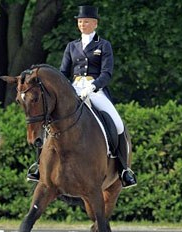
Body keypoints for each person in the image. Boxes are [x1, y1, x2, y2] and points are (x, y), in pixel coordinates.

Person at [27, 5, 137, 188]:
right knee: (48, 122)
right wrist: (66, 89)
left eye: (86, 21)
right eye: (80, 21)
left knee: (116, 122)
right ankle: (39, 166)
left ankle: (124, 170)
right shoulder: (72, 46)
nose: (82, 24)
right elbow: (63, 72)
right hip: (74, 90)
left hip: (96, 90)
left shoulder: (103, 45)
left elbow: (107, 73)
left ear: (95, 23)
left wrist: (93, 86)